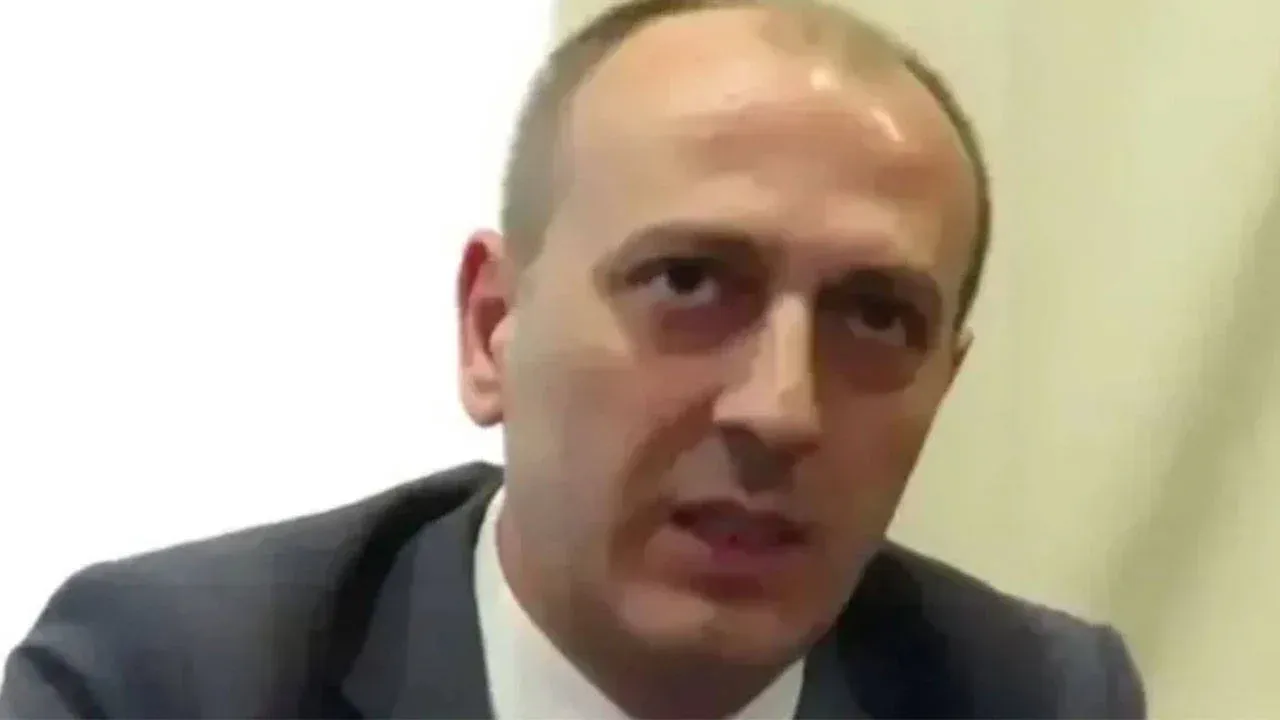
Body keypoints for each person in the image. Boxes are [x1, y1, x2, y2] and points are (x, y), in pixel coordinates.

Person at [0, 1, 1147, 718]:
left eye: (875, 318)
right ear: (491, 328)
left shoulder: (1032, 698)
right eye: (687, 283)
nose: (780, 409)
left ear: (942, 385)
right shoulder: (167, 681)